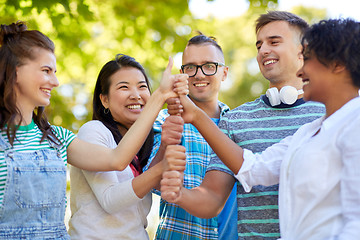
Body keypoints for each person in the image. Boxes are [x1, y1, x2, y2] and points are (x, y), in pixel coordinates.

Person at [162, 18, 360, 239]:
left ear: (301, 52)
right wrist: (179, 192)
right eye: (259, 45)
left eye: (274, 42)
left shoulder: (349, 122)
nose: (263, 51)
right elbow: (255, 169)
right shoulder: (307, 132)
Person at [0, 21, 188, 239]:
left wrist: (161, 107)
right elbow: (112, 194)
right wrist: (159, 96)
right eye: (46, 71)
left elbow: (116, 159)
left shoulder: (57, 138)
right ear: (14, 72)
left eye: (55, 72)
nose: (56, 81)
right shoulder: (92, 131)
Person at [68, 54, 187, 239]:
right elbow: (111, 200)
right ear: (104, 100)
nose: (136, 95)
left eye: (142, 86)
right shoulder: (93, 131)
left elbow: (148, 184)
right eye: (124, 87)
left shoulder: (144, 142)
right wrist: (161, 96)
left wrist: (164, 145)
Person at [144, 33, 238, 240]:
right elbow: (151, 182)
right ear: (181, 74)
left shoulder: (240, 125)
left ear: (224, 72)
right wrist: (166, 145)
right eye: (191, 68)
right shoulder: (165, 121)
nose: (199, 74)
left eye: (209, 66)